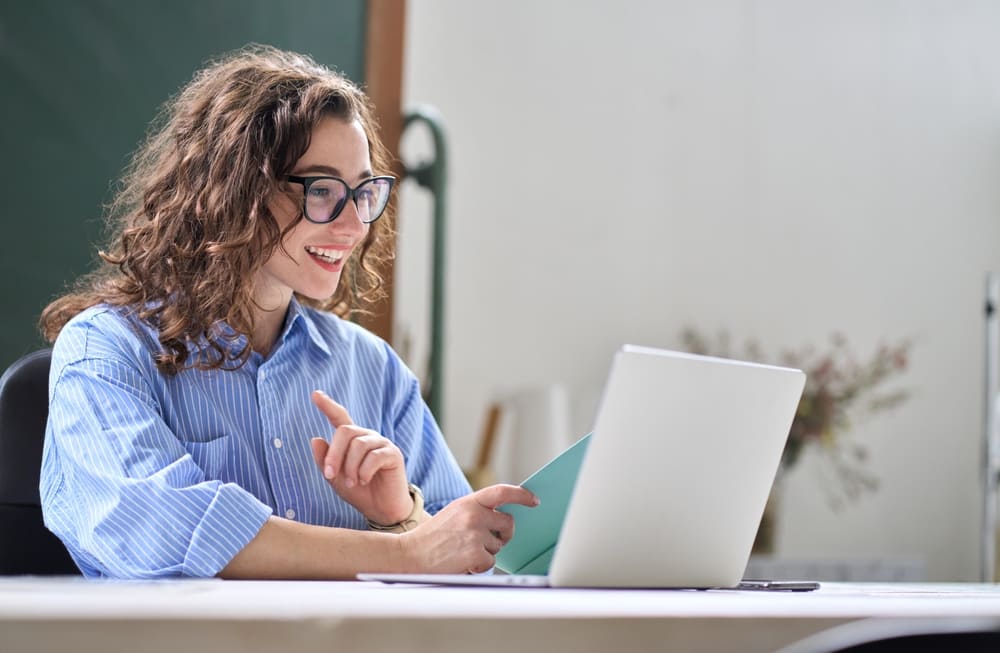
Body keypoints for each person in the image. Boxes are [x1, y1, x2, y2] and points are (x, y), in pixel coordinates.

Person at [37, 45, 537, 579]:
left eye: (363, 192)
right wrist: (405, 555)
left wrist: (402, 519)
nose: (352, 226)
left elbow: (469, 556)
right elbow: (164, 531)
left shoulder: (373, 368)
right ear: (236, 192)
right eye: (322, 191)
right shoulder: (104, 351)